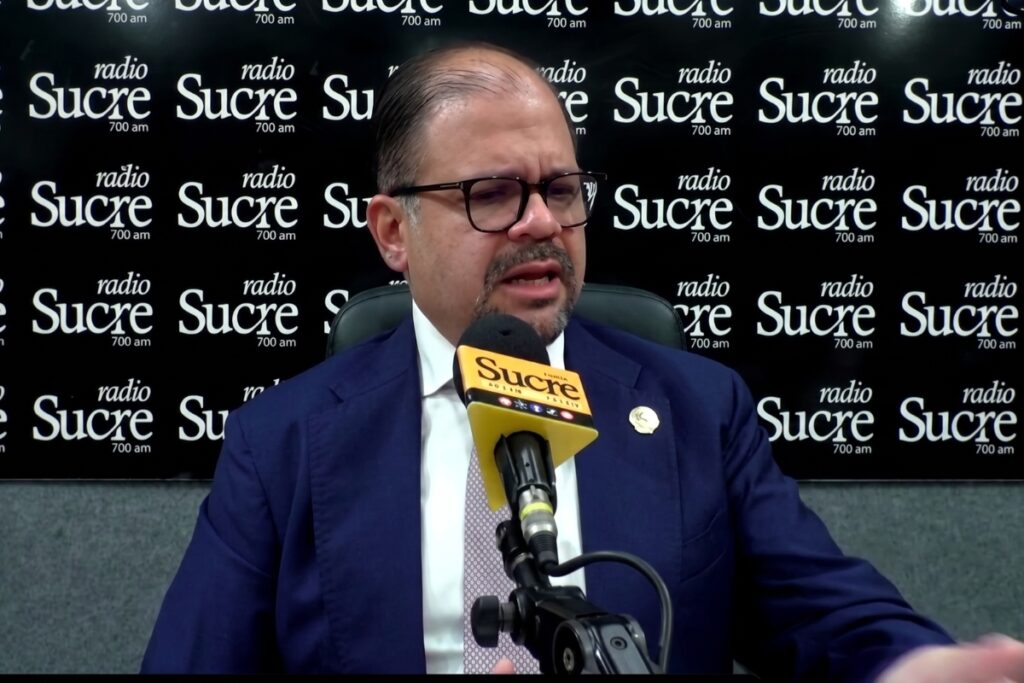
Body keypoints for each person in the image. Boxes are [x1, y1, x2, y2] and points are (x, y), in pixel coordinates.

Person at [142, 43, 1024, 680]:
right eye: (492, 193)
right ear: (392, 232)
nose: (540, 222)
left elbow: (830, 615)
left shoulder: (696, 409)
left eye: (560, 189)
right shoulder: (283, 441)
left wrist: (918, 665)